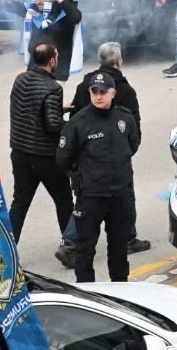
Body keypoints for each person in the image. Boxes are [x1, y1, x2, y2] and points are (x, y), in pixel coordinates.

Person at [63, 41, 150, 262]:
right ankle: (75, 243)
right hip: (109, 162)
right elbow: (134, 131)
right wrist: (124, 153)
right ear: (119, 61)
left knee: (87, 199)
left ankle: (124, 237)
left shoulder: (86, 84)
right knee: (117, 197)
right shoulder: (125, 90)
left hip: (85, 157)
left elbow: (73, 119)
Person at [56, 71, 141, 283]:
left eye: (103, 92)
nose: (98, 96)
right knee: (85, 251)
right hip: (91, 197)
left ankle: (121, 292)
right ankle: (88, 292)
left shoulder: (125, 118)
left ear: (113, 93)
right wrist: (82, 177)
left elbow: (132, 145)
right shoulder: (78, 122)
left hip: (119, 196)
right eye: (94, 91)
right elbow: (63, 158)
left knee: (119, 249)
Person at [6, 42, 70, 243]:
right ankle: (70, 246)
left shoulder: (20, 79)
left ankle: (6, 248)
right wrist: (70, 125)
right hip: (44, 157)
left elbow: (28, 109)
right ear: (52, 61)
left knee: (20, 203)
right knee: (64, 200)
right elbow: (52, 126)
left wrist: (57, 108)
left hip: (19, 152)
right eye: (57, 57)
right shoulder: (53, 88)